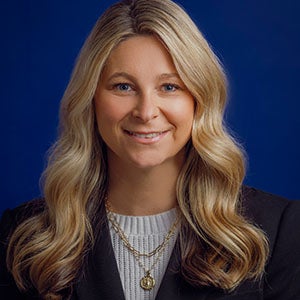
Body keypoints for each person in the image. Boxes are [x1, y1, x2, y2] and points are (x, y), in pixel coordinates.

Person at [0, 0, 299, 299]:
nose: (145, 112)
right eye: (123, 86)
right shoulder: (24, 238)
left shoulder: (281, 230)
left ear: (199, 99)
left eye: (169, 87)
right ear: (90, 99)